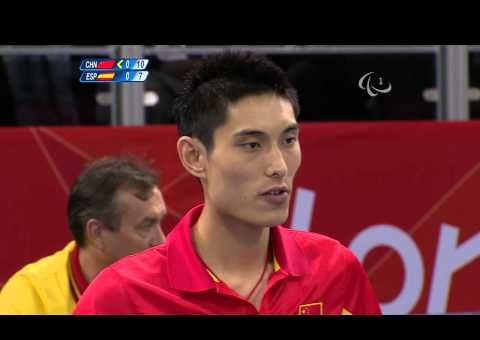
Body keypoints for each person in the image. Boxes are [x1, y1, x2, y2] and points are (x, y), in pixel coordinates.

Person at [74, 52, 382, 315]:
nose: (278, 166)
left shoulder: (336, 270)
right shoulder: (122, 294)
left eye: (288, 140)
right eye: (251, 145)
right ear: (194, 156)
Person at [0, 156, 166, 314]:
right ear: (97, 233)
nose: (161, 242)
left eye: (160, 222)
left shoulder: (169, 287)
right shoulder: (30, 297)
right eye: (146, 226)